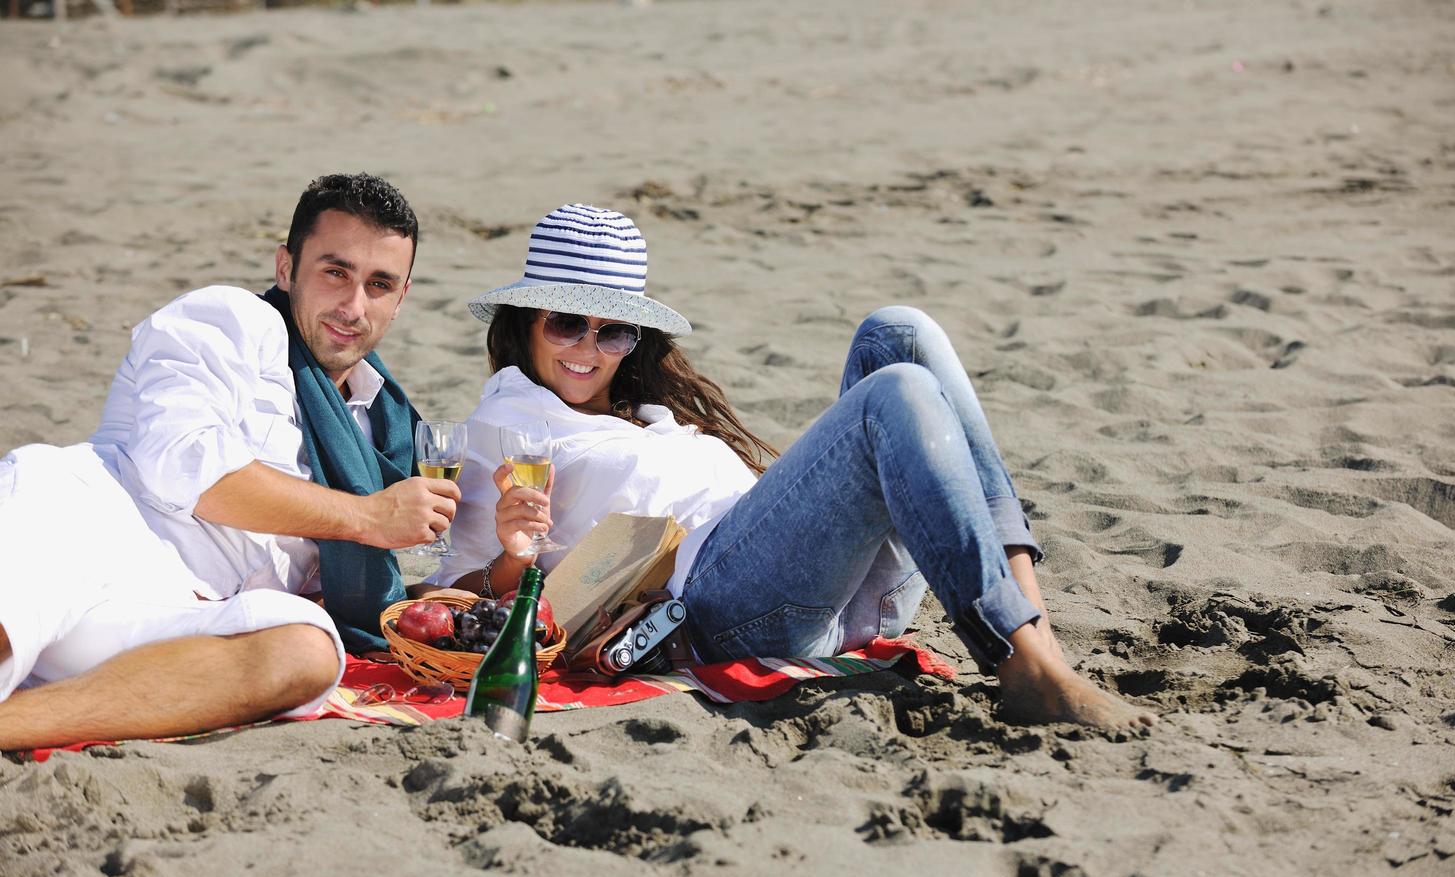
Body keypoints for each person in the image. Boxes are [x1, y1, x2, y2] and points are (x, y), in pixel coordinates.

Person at [427, 204, 1155, 733]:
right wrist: (512, 556)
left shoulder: (643, 411)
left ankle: (1037, 639)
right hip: (723, 609)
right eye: (565, 322)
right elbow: (446, 599)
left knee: (899, 334)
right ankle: (1022, 659)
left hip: (831, 593)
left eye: (612, 328)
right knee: (893, 395)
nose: (588, 347)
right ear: (524, 322)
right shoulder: (506, 426)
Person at [0, 174, 459, 751]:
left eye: (379, 284)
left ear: (402, 296)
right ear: (287, 268)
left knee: (307, 652)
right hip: (83, 534)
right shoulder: (230, 321)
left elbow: (346, 581)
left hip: (173, 620)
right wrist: (365, 517)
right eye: (335, 272)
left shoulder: (386, 429)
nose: (353, 306)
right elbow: (189, 469)